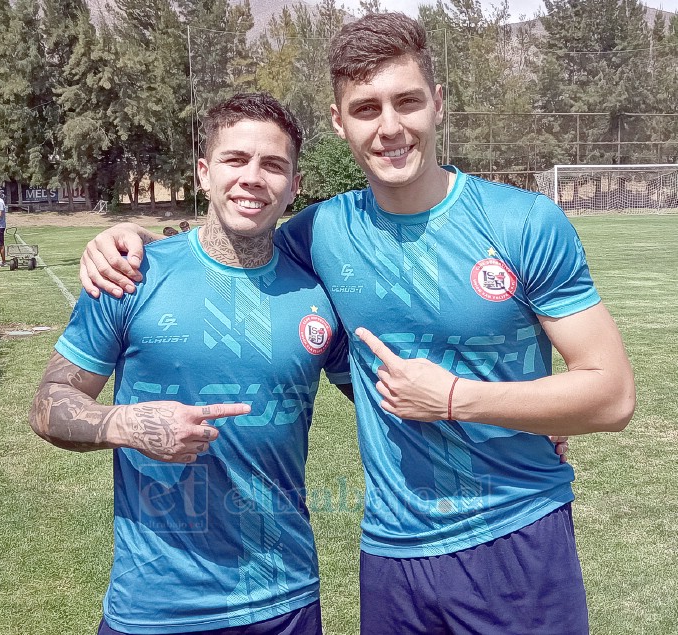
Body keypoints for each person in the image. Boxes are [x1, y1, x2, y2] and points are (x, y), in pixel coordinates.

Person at [78, 13, 631, 634]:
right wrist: (132, 241)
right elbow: (229, 244)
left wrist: (462, 400)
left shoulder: (522, 222)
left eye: (408, 101)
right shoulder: (320, 235)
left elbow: (610, 395)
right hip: (391, 559)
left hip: (517, 533)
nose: (390, 127)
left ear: (438, 104)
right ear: (340, 122)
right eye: (367, 108)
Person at [30, 93, 352, 635]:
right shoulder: (130, 274)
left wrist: (536, 425)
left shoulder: (319, 296)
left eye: (273, 164)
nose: (252, 177)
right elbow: (48, 403)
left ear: (294, 185)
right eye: (235, 160)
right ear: (204, 172)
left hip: (283, 601)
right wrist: (125, 424)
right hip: (155, 607)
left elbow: (396, 400)